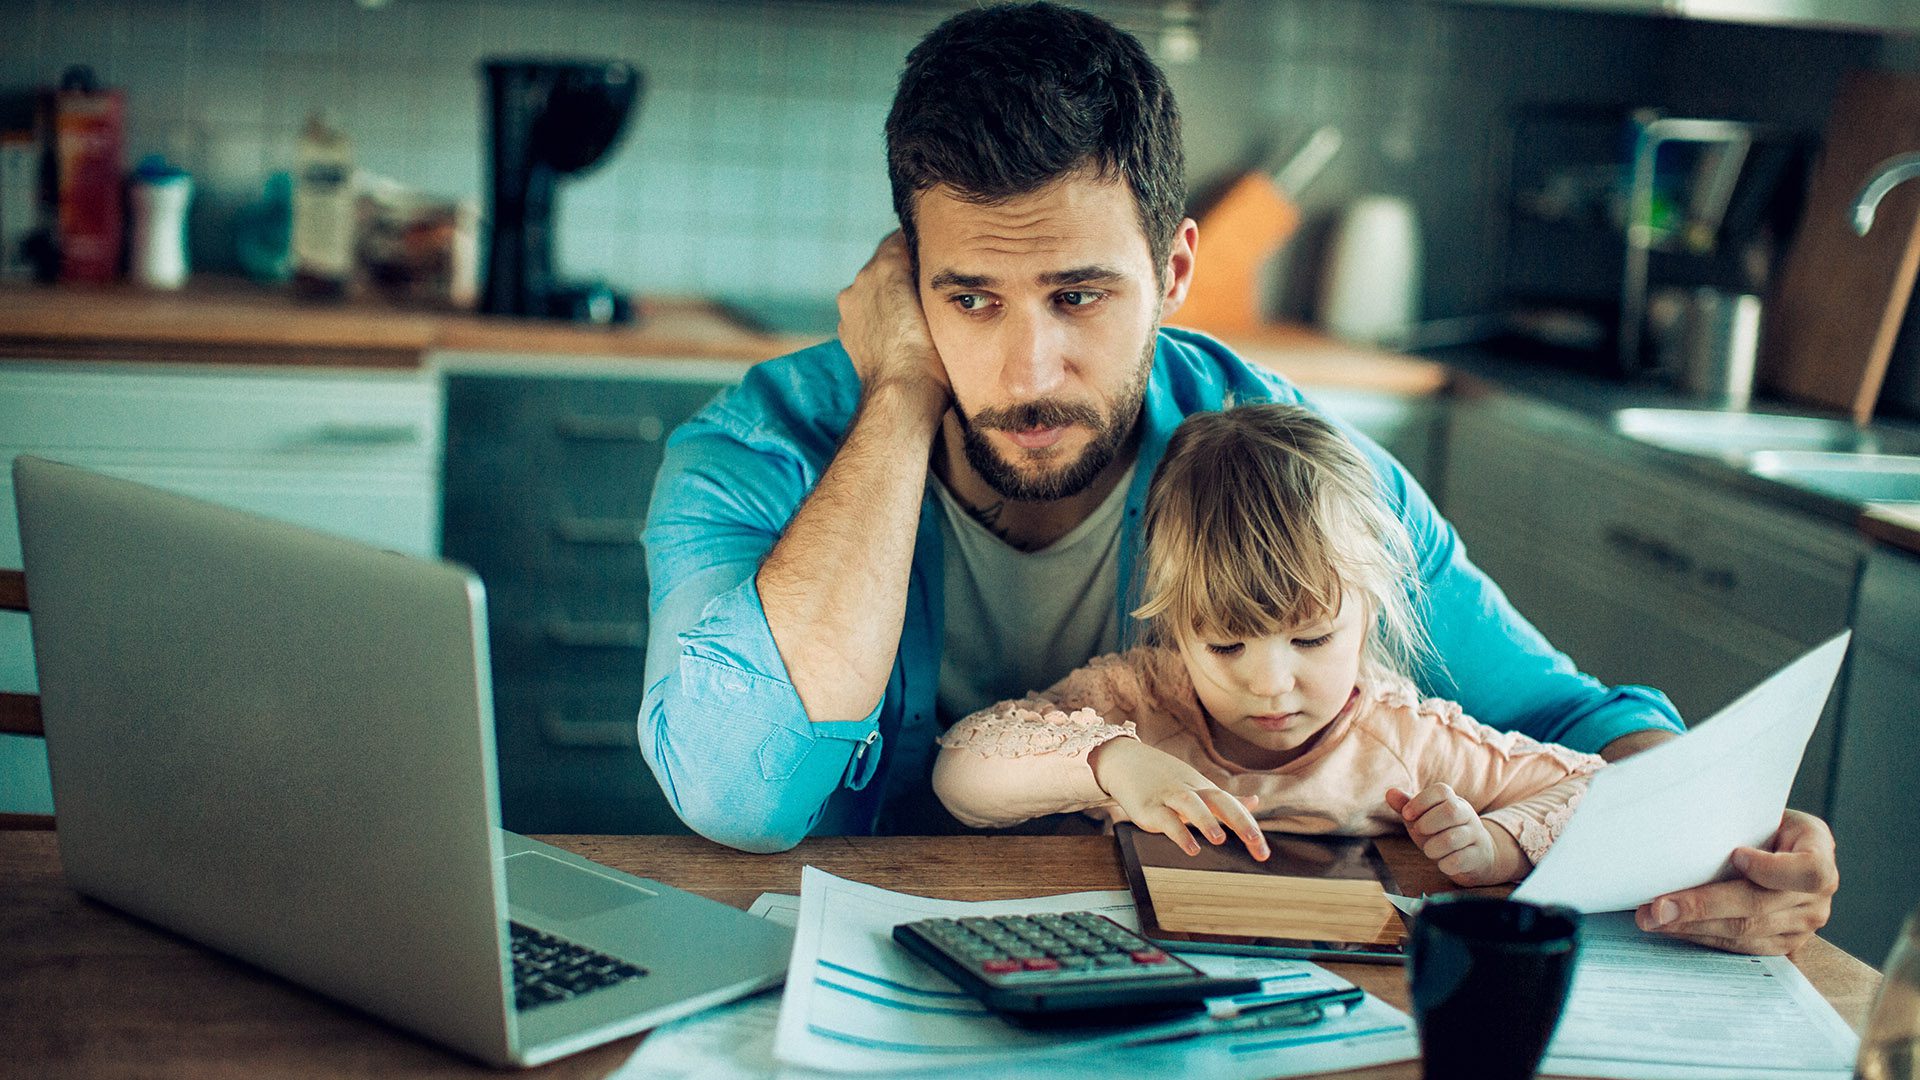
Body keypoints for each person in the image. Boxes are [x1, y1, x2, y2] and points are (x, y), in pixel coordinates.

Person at [638, 1, 1837, 954]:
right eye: (970, 298)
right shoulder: (760, 449)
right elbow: (738, 792)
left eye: (1079, 295)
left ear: (1174, 270)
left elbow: (1572, 722)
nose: (1025, 369)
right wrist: (898, 396)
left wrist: (1720, 841)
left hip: (1178, 991)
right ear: (905, 282)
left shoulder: (1276, 459)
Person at [934, 403, 1605, 887]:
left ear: (1369, 614)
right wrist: (1112, 763)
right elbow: (959, 775)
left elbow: (1597, 790)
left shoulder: (1408, 741)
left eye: (1311, 638)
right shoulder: (1138, 701)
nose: (1272, 684)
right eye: (1227, 647)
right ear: (1176, 625)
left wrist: (1497, 845)